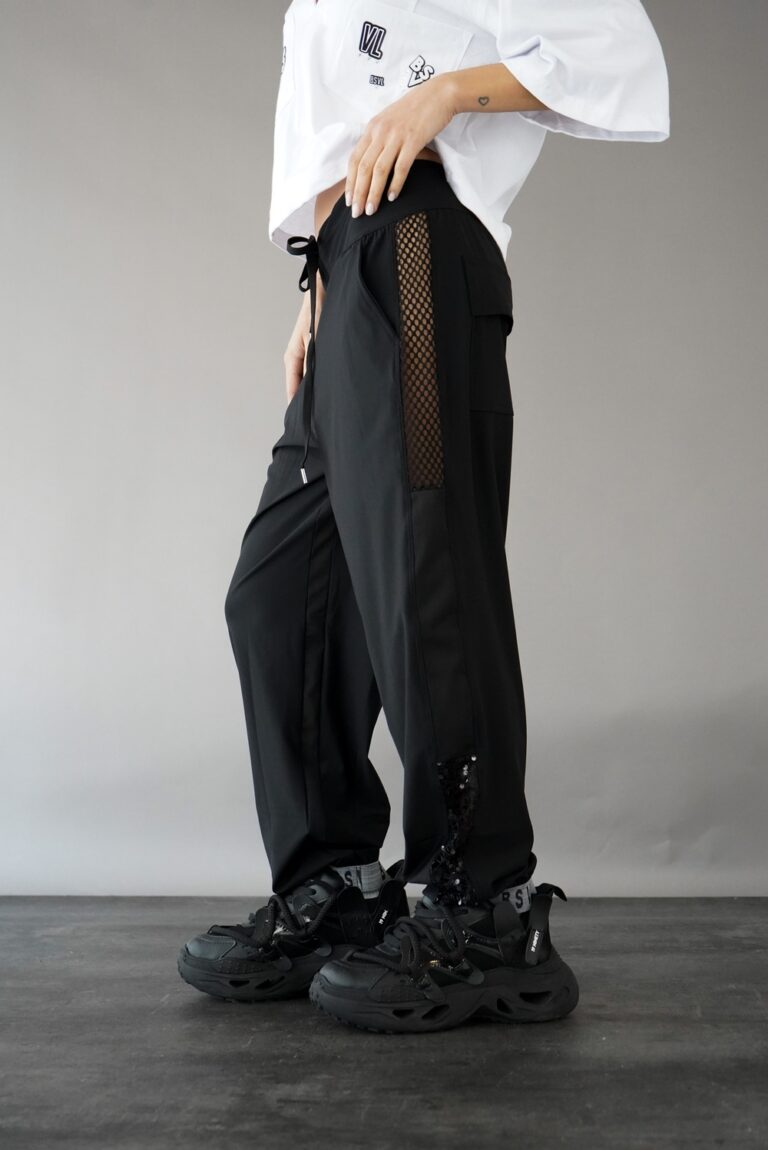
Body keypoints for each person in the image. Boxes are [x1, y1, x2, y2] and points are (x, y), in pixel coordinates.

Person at [178, 0, 669, 1034]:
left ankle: (481, 908)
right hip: (349, 267)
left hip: (416, 250)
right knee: (280, 597)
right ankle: (337, 888)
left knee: (424, 580)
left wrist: (445, 94)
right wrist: (316, 289)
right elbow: (332, 124)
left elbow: (616, 52)